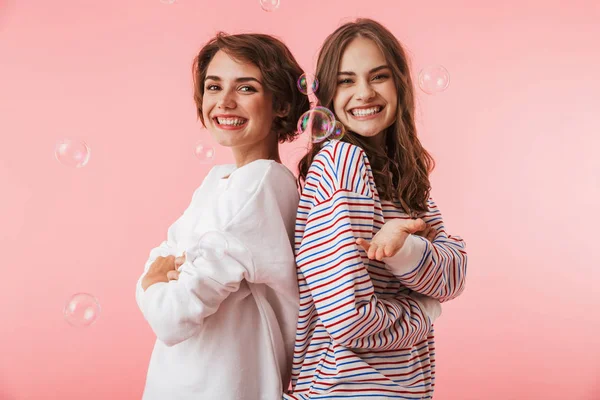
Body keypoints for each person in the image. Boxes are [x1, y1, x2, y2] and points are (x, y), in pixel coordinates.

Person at [285, 18, 468, 399]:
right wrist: (425, 311)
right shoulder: (342, 161)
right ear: (329, 94)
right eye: (347, 81)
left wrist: (401, 248)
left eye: (379, 76)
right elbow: (348, 318)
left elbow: (452, 276)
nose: (364, 93)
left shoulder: (402, 176)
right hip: (344, 391)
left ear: (399, 83)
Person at [135, 32, 309, 400]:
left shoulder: (260, 185)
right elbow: (165, 254)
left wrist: (153, 283)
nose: (224, 102)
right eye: (214, 86)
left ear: (280, 103)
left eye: (246, 89)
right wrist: (162, 277)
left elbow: (172, 315)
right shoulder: (219, 180)